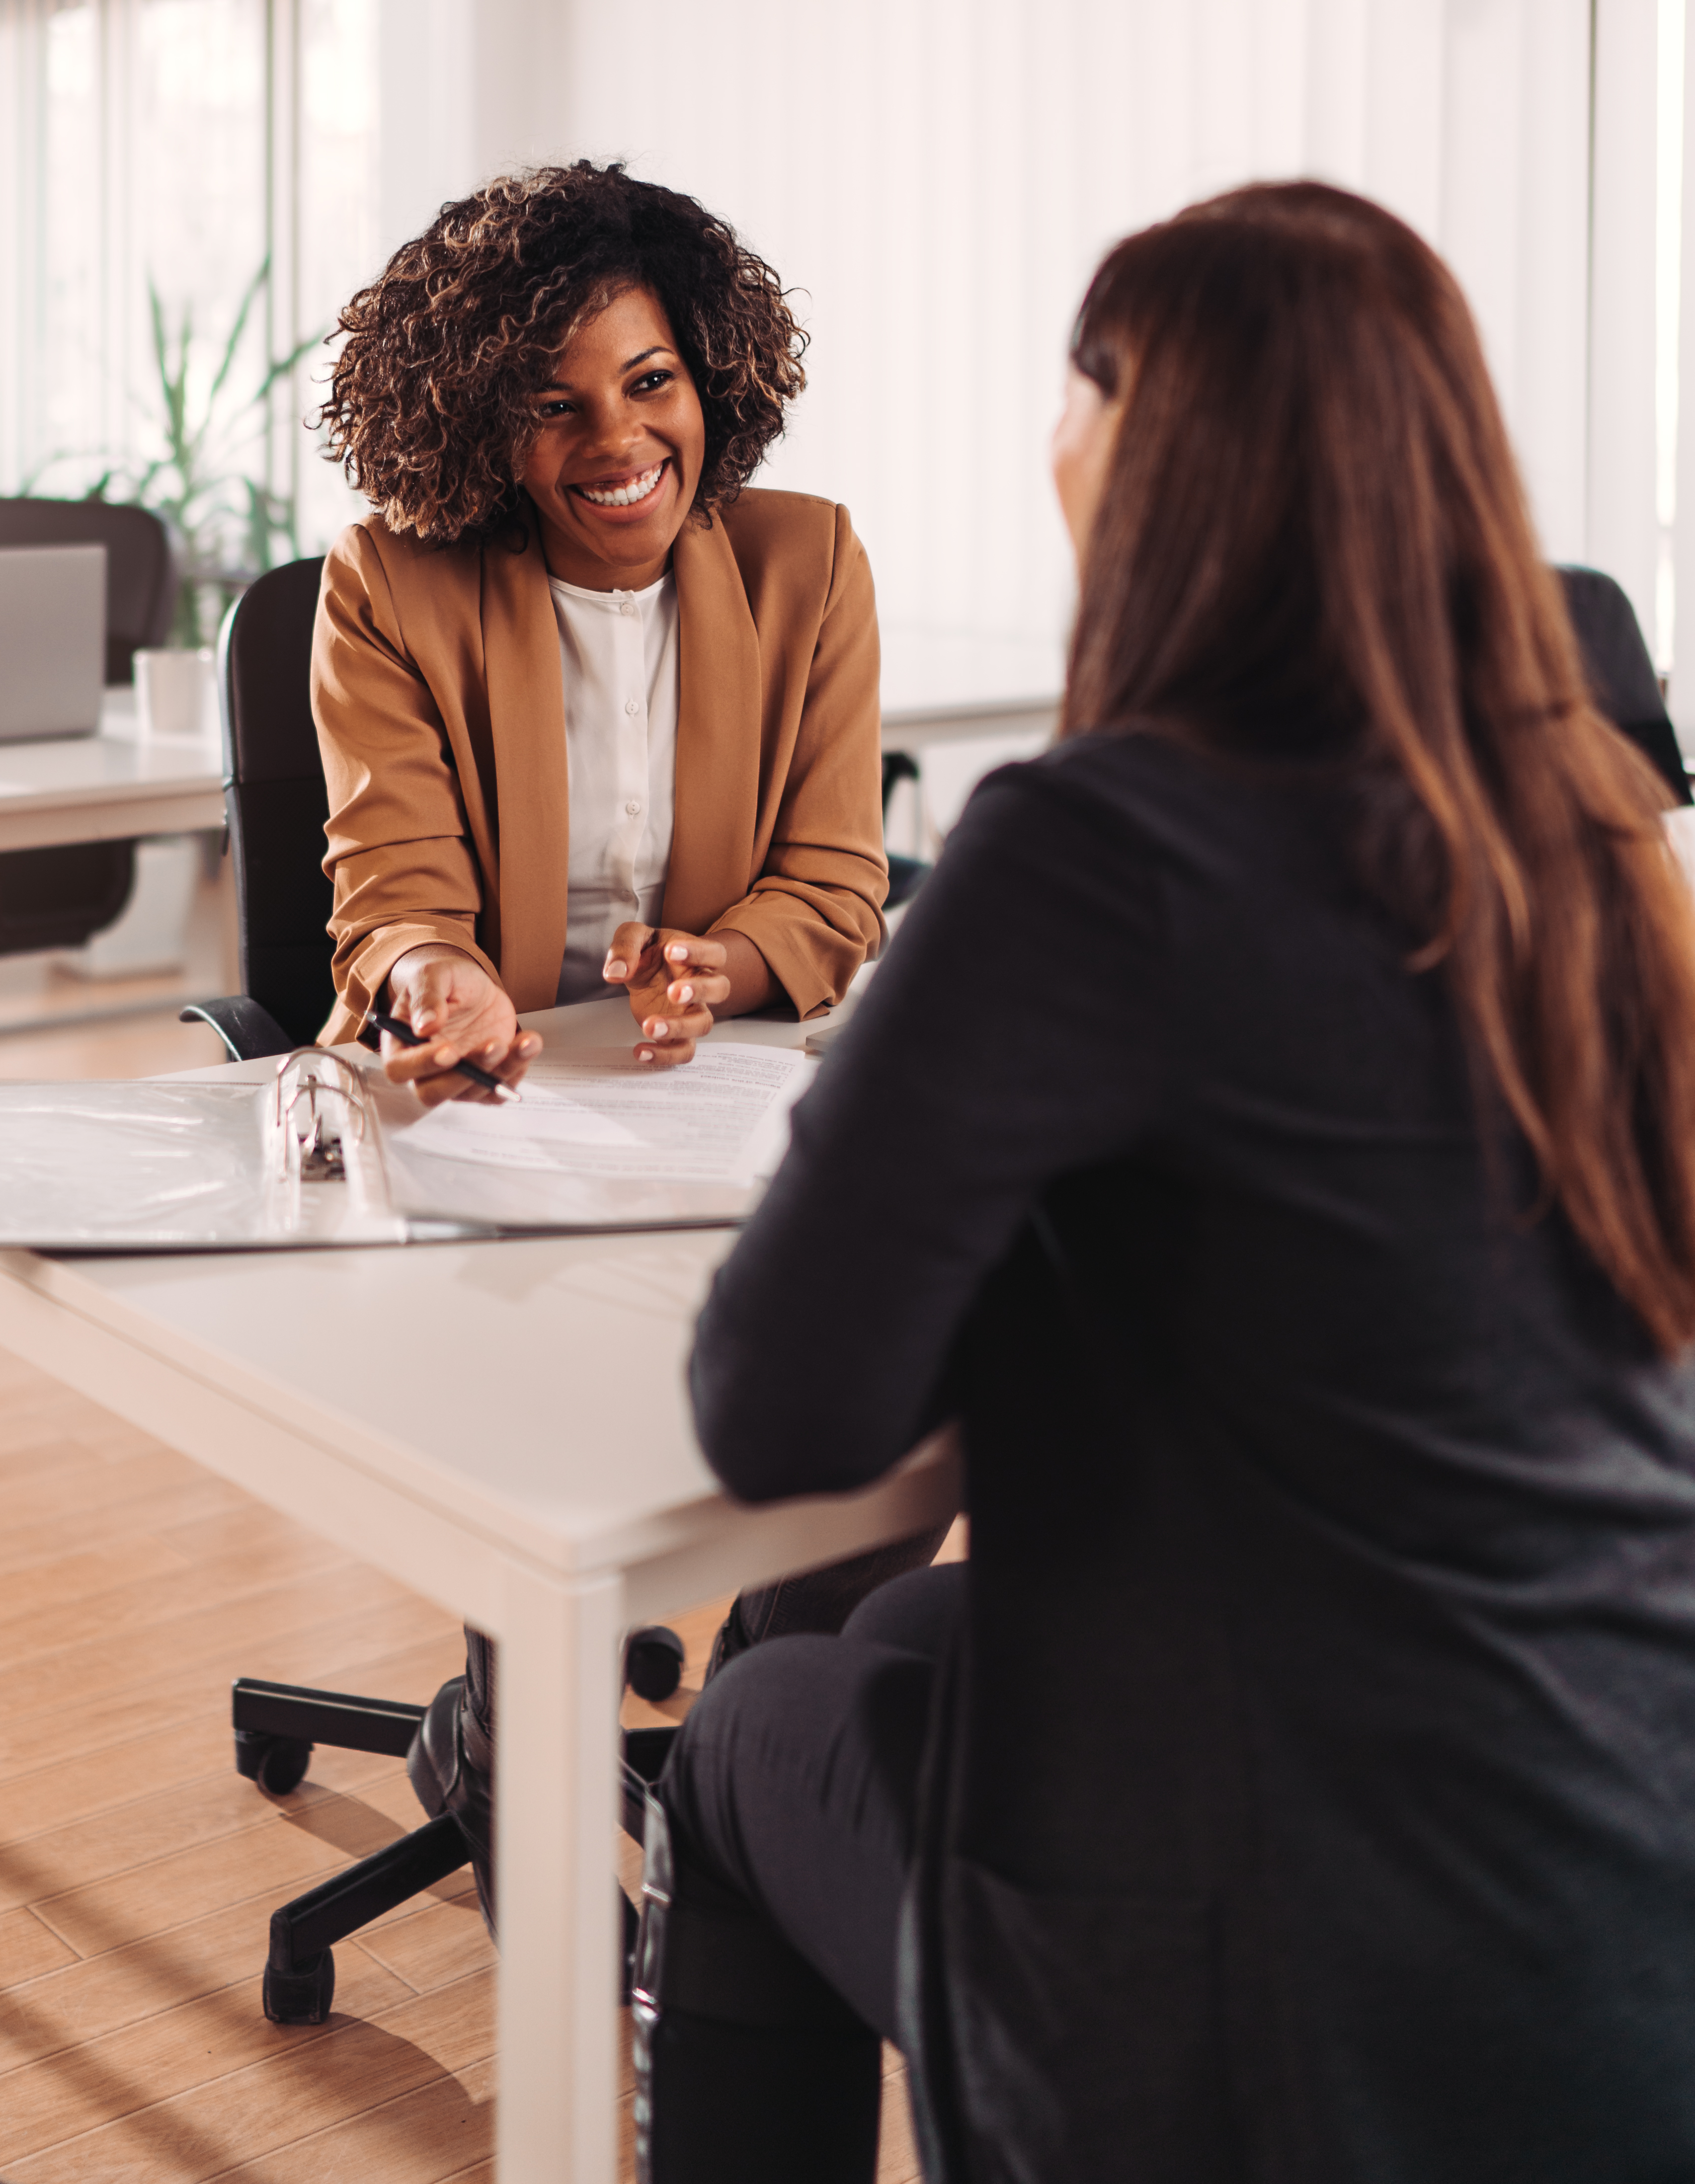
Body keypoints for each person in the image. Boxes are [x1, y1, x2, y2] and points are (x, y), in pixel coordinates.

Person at [633, 181, 1695, 2184]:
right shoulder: (1590, 840)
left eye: (1076, 388)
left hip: (1304, 2027)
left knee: (744, 1733)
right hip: (1618, 1893)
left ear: (1156, 453)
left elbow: (780, 1407)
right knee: (902, 1650)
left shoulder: (1099, 848)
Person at [310, 159, 938, 1930]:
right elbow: (394, 892)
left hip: (714, 1100)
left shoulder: (805, 563)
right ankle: (508, 1754)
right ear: (476, 424)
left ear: (708, 382)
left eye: (647, 381)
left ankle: (749, 1725)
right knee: (534, 1384)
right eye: (552, 401)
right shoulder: (393, 582)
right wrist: (444, 981)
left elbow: (833, 882)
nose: (613, 440)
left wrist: (722, 968)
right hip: (496, 1107)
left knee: (907, 1384)